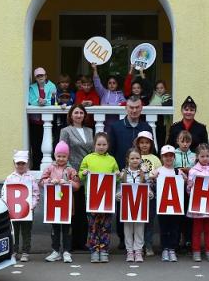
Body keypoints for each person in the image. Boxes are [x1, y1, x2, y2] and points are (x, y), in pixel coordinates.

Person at [79, 133, 120, 263]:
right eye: (99, 144)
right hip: (92, 200)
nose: (101, 147)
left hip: (107, 200)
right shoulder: (88, 158)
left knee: (106, 226)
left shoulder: (112, 160)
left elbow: (117, 178)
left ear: (108, 145)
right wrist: (83, 173)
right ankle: (94, 250)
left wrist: (118, 175)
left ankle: (104, 250)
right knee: (93, 226)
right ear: (94, 145)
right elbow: (80, 175)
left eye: (104, 144)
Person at [59, 104, 95, 252]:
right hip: (73, 174)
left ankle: (83, 242)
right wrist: (69, 171)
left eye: (81, 113)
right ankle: (72, 243)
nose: (79, 115)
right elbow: (62, 152)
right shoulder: (65, 131)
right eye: (76, 113)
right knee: (74, 208)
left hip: (87, 174)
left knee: (85, 209)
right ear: (71, 115)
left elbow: (93, 151)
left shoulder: (90, 131)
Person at [40, 140, 81, 263]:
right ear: (55, 156)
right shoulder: (50, 168)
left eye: (64, 156)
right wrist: (49, 181)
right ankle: (56, 251)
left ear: (67, 157)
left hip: (67, 205)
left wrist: (67, 182)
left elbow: (77, 185)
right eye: (59, 156)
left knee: (67, 229)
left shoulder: (71, 170)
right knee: (55, 229)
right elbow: (41, 181)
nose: (61, 159)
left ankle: (67, 251)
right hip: (54, 205)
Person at [187, 143, 209, 262]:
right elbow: (189, 191)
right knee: (196, 230)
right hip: (197, 206)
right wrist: (190, 186)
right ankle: (196, 251)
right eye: (202, 156)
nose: (205, 158)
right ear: (197, 156)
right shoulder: (193, 171)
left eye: (207, 156)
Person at [2, 151, 39, 262]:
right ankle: (14, 251)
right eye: (18, 163)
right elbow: (4, 192)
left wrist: (31, 206)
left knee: (26, 231)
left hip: (27, 210)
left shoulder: (31, 178)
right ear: (14, 163)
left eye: (23, 163)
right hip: (14, 211)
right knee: (14, 231)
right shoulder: (10, 178)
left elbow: (36, 193)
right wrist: (7, 205)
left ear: (27, 164)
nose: (21, 166)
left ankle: (25, 251)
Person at [118, 149, 153, 262]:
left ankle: (138, 251)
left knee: (139, 227)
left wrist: (150, 193)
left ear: (140, 160)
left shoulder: (145, 173)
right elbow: (119, 188)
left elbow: (149, 188)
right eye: (132, 158)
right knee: (128, 228)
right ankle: (129, 251)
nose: (135, 160)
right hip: (127, 206)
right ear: (127, 159)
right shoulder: (123, 173)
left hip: (140, 206)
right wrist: (118, 195)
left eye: (137, 158)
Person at [133, 130, 161, 255]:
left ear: (151, 144)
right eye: (142, 142)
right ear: (138, 144)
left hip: (151, 191)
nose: (144, 145)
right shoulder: (134, 156)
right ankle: (137, 245)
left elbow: (160, 174)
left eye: (147, 143)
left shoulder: (155, 159)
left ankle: (148, 245)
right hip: (137, 190)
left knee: (149, 219)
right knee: (138, 219)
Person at [107, 96, 154, 169]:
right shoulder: (115, 127)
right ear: (126, 108)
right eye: (131, 107)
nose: (134, 110)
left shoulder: (147, 128)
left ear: (141, 108)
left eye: (137, 107)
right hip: (120, 172)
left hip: (142, 174)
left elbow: (152, 151)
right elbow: (110, 152)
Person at [155, 145, 183, 262]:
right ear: (162, 157)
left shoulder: (178, 171)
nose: (168, 158)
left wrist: (185, 179)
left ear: (174, 157)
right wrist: (153, 177)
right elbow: (152, 180)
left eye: (171, 155)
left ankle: (172, 249)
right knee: (164, 228)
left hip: (175, 206)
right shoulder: (158, 171)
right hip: (162, 205)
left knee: (174, 227)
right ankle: (165, 249)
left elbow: (184, 182)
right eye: (166, 156)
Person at [27, 67, 57, 169]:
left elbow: (53, 100)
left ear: (46, 76)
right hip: (35, 122)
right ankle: (36, 167)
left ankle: (49, 169)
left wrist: (44, 102)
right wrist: (38, 102)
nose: (40, 77)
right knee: (35, 146)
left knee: (49, 145)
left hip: (48, 122)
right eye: (38, 76)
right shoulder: (32, 87)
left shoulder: (52, 86)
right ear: (35, 78)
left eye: (42, 75)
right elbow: (31, 100)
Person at [174, 129, 197, 251]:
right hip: (177, 189)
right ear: (177, 141)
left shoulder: (194, 156)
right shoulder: (173, 154)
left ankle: (188, 240)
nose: (185, 144)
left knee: (189, 215)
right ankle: (177, 241)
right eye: (182, 141)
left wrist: (189, 170)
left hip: (191, 189)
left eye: (187, 142)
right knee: (179, 215)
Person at [91, 65, 126, 129]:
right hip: (104, 123)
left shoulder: (120, 94)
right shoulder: (104, 92)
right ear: (107, 84)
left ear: (117, 84)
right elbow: (97, 84)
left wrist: (110, 105)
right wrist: (95, 70)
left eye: (114, 83)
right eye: (109, 83)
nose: (112, 85)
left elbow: (124, 105)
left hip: (116, 124)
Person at [151, 79, 172, 145]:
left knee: (160, 141)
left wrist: (159, 105)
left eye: (161, 88)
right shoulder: (153, 97)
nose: (159, 90)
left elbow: (169, 103)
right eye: (157, 88)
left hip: (161, 121)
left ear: (165, 89)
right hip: (152, 120)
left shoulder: (166, 96)